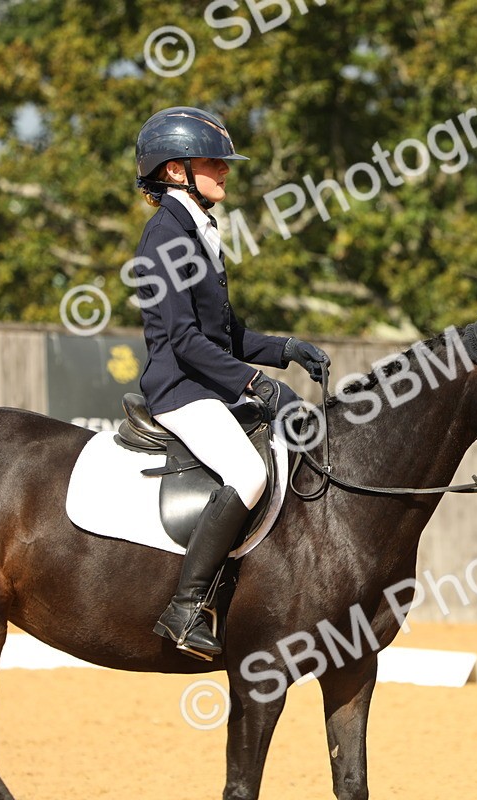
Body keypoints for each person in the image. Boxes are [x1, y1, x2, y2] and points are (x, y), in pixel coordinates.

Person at [132, 106, 330, 660]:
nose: (225, 170)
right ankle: (184, 607)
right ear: (175, 171)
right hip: (179, 388)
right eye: (212, 161)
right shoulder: (165, 237)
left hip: (207, 381)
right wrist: (256, 385)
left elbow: (227, 333)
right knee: (246, 472)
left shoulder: (199, 229)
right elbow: (183, 341)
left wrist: (285, 350)